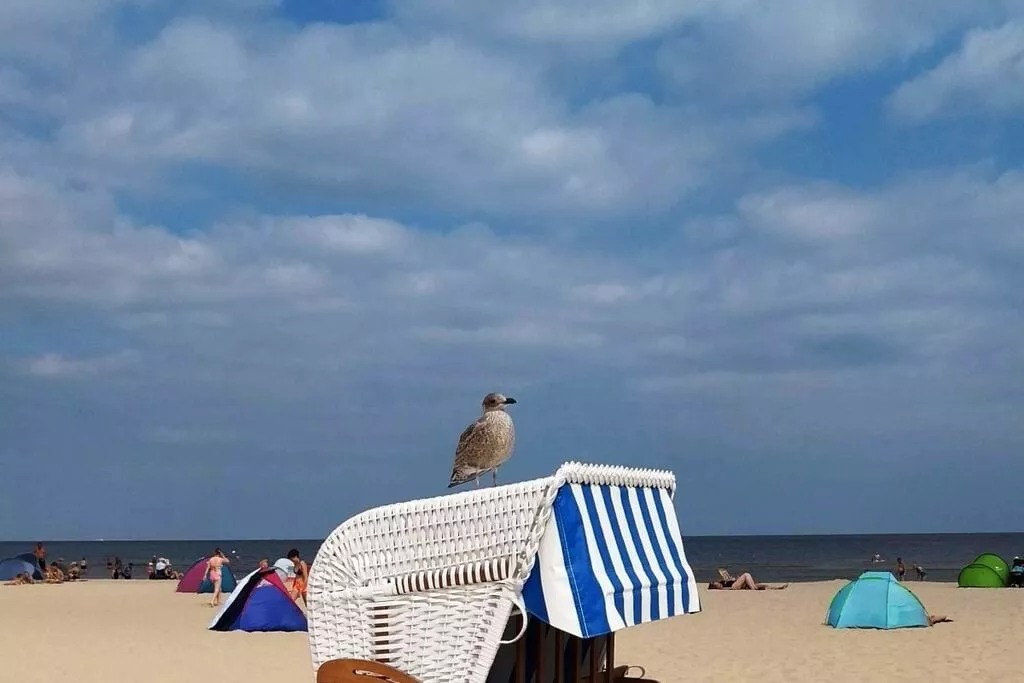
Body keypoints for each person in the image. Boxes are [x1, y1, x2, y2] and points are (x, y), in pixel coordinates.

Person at [707, 572, 788, 591]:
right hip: (733, 587)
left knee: (762, 585)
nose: (716, 582)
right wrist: (731, 581)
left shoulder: (721, 582)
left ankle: (777, 588)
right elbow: (726, 589)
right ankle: (754, 589)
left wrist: (732, 579)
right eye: (714, 583)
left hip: (735, 584)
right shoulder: (720, 587)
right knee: (746, 574)